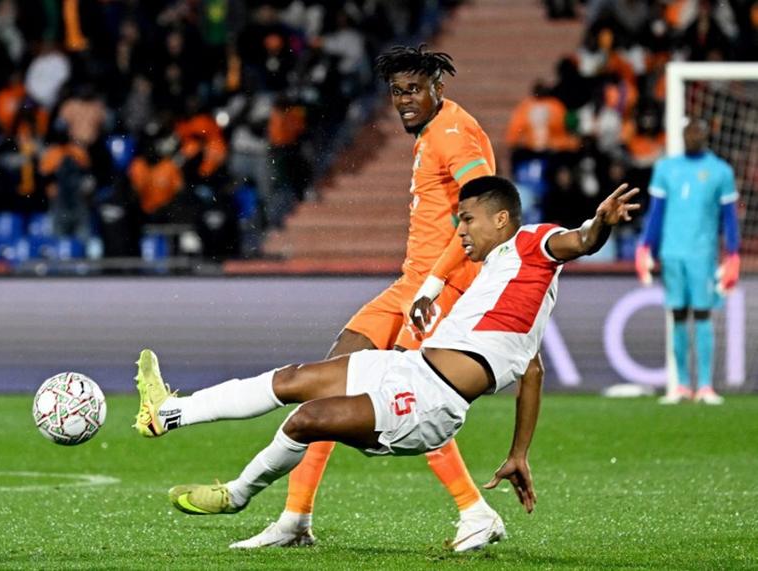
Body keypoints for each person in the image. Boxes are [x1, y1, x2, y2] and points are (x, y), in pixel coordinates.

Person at [133, 176, 640, 549]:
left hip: (429, 403)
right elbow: (533, 372)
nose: (460, 229)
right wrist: (518, 453)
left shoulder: (534, 242)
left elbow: (579, 241)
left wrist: (600, 224)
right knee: (293, 379)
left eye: (467, 219)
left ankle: (238, 495)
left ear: (501, 219)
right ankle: (168, 413)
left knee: (307, 419)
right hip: (409, 370)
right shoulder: (507, 282)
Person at [227, 44, 524, 552]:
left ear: (438, 88)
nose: (405, 100)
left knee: (408, 397)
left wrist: (434, 284)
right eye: (397, 92)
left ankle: (476, 512)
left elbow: (479, 212)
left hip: (445, 287)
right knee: (326, 380)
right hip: (410, 283)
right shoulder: (433, 130)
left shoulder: (454, 134)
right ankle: (295, 518)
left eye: (415, 90)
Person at [635, 118, 740, 405]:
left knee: (703, 314)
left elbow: (729, 218)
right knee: (678, 314)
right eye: (688, 133)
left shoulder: (721, 171)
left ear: (705, 136)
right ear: (682, 135)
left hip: (702, 254)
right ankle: (681, 385)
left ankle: (705, 385)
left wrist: (733, 253)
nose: (693, 137)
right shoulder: (665, 168)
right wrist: (645, 246)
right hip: (672, 252)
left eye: (697, 132)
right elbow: (656, 213)